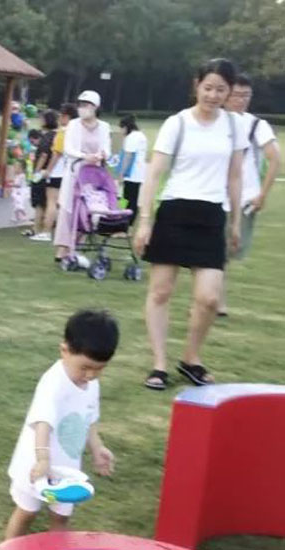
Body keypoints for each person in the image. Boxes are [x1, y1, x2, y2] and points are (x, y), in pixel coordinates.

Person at [133, 58, 247, 390]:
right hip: (174, 212)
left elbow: (235, 176)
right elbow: (154, 174)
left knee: (209, 298)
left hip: (211, 216)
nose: (213, 95)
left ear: (229, 92)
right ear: (197, 86)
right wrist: (145, 221)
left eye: (221, 90)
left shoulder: (233, 126)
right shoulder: (177, 124)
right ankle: (159, 365)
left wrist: (235, 222)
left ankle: (191, 358)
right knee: (161, 291)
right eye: (208, 88)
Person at [4, 310, 118, 539]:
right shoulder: (53, 383)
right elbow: (42, 423)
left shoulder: (91, 384)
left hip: (67, 468)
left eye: (99, 369)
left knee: (61, 516)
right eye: (85, 367)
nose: (91, 375)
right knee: (27, 512)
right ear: (65, 351)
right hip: (36, 464)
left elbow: (88, 420)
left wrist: (97, 448)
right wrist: (43, 459)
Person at [218, 73, 280, 316]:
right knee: (215, 251)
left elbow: (275, 159)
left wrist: (262, 194)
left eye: (246, 95)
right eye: (237, 95)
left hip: (244, 198)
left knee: (227, 251)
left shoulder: (256, 125)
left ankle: (213, 299)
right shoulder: (215, 121)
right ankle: (214, 300)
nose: (241, 100)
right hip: (213, 194)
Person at [54, 91, 112, 262]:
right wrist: (84, 156)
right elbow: (68, 149)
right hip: (75, 171)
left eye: (87, 105)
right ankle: (62, 248)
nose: (83, 108)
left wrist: (102, 155)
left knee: (87, 209)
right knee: (68, 208)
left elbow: (106, 148)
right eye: (81, 105)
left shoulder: (104, 126)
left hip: (93, 174)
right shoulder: (73, 125)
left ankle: (78, 246)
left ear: (95, 107)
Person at [42, 104, 77, 246]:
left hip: (58, 172)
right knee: (65, 204)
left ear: (67, 117)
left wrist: (48, 170)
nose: (60, 119)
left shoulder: (63, 132)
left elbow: (56, 154)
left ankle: (46, 232)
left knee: (52, 202)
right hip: (71, 173)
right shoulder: (78, 132)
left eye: (61, 116)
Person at [28, 110, 59, 241]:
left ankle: (37, 229)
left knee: (39, 203)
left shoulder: (47, 137)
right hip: (53, 173)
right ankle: (42, 228)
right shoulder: (57, 135)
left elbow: (44, 155)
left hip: (43, 172)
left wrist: (37, 171)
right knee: (48, 202)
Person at [117, 114, 148, 225]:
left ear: (126, 127)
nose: (121, 131)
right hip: (138, 173)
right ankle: (128, 220)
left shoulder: (132, 137)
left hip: (131, 173)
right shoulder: (141, 135)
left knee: (126, 198)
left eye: (121, 128)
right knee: (132, 198)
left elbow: (128, 156)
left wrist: (121, 173)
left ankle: (125, 220)